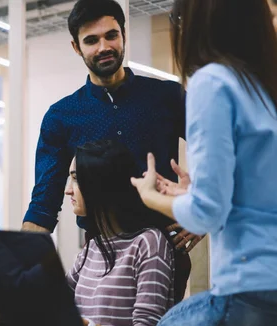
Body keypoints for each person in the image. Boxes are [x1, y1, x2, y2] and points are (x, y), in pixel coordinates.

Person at [22, 0, 202, 296]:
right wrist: (15, 265)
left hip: (166, 251)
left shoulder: (167, 96)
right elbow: (44, 201)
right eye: (91, 40)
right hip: (99, 258)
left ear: (124, 36)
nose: (103, 46)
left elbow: (224, 154)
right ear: (76, 47)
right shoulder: (61, 116)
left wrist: (206, 212)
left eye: (111, 35)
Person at [131, 0, 277, 326]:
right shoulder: (265, 89)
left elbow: (208, 214)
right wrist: (190, 195)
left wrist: (153, 198)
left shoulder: (211, 82)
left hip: (250, 296)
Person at [65, 140, 174, 326]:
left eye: (76, 179)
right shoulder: (92, 248)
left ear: (98, 183)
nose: (68, 190)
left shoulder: (149, 243)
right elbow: (54, 304)